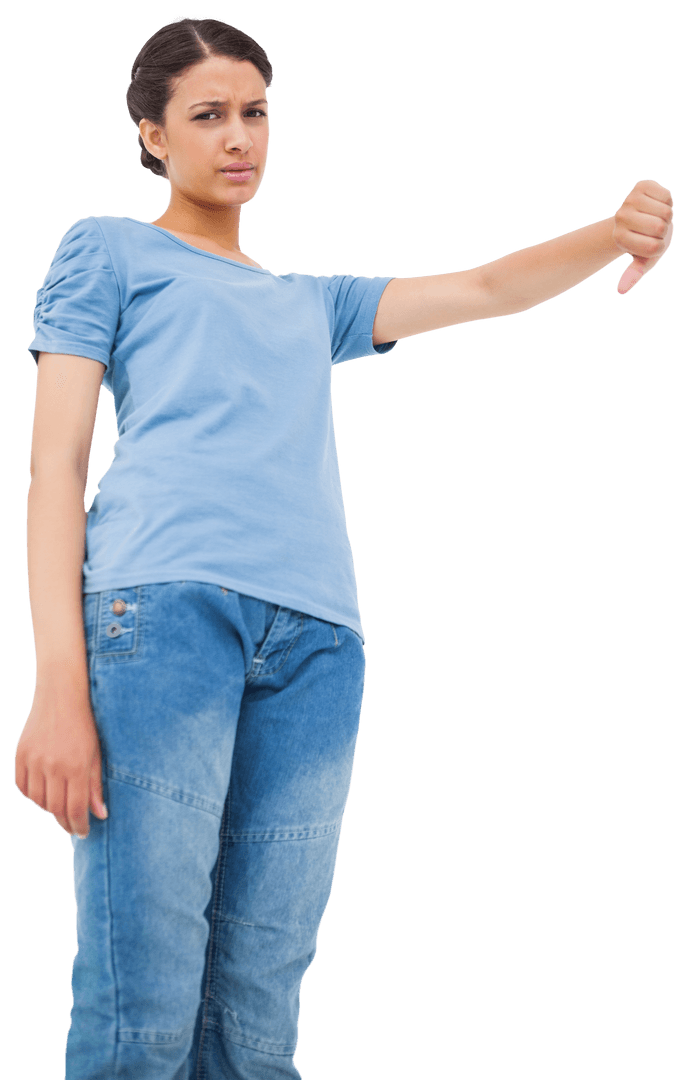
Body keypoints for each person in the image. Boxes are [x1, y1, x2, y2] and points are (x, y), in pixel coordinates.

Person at [13, 12, 673, 1080]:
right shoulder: (109, 248)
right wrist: (56, 684)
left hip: (320, 645)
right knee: (144, 1002)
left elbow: (487, 288)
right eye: (209, 115)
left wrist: (615, 232)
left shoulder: (308, 305)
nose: (240, 137)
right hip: (165, 618)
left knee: (260, 1016)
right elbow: (56, 467)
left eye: (257, 112)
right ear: (151, 134)